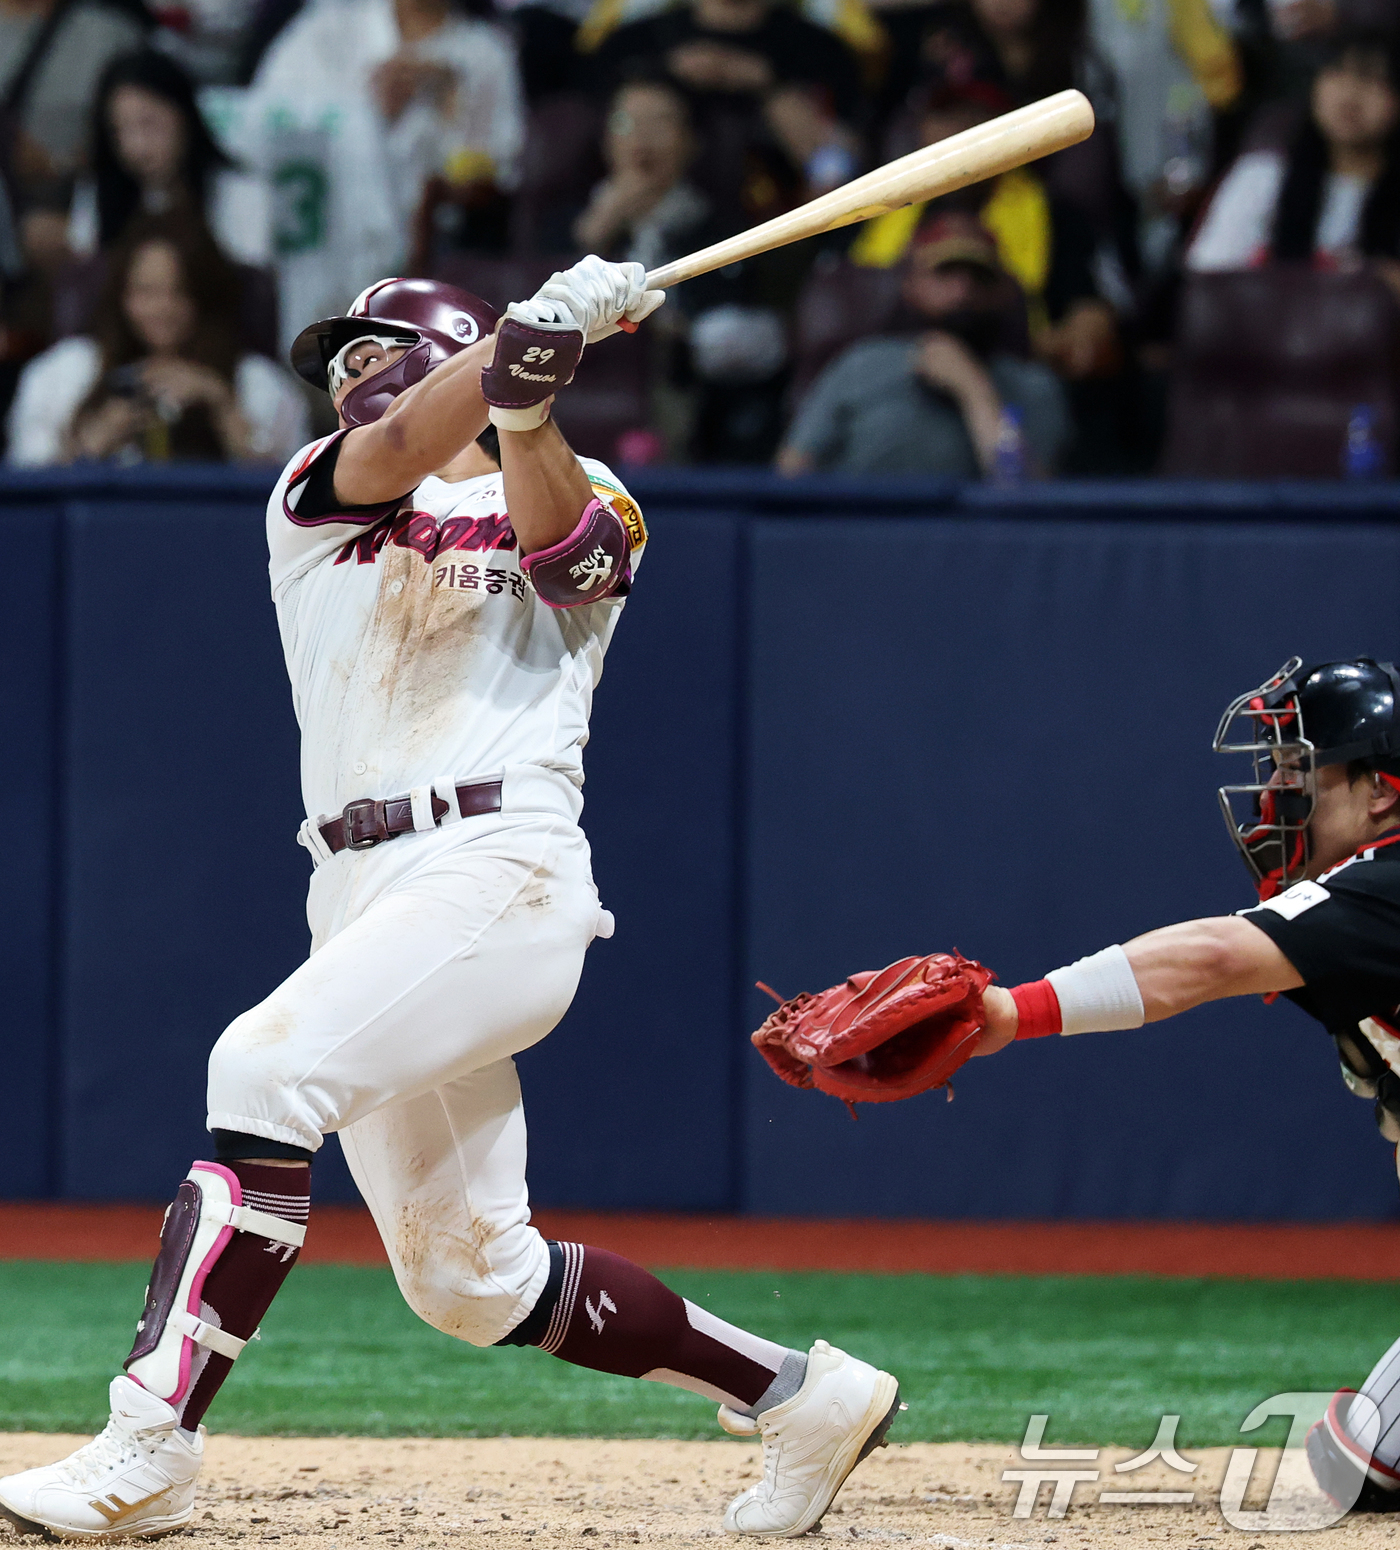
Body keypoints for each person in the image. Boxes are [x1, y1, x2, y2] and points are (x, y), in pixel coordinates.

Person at [0, 257, 901, 1542]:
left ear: (453, 354)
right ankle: (801, 1395)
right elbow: (405, 438)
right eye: (339, 363)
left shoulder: (599, 498)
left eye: (378, 349)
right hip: (358, 886)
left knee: (258, 1071)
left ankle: (147, 1447)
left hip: (501, 865)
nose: (350, 375)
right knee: (471, 1276)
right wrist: (517, 349)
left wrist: (526, 400)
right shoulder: (320, 495)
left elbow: (574, 564)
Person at [959, 655, 1400, 1513]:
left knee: (1361, 1456)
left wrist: (1014, 1012)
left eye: (1299, 771)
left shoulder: (1386, 882)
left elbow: (1207, 959)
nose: (1275, 796)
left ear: (1381, 791)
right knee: (1363, 1457)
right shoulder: (1367, 904)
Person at [779, 212, 1071, 477]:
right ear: (911, 285)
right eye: (945, 273)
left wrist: (975, 390)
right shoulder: (862, 364)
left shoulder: (1032, 388)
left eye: (980, 276)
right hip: (860, 529)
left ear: (1003, 292)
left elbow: (1023, 498)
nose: (963, 290)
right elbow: (791, 472)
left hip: (972, 535)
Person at [6, 213, 307, 463]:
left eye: (179, 292)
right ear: (121, 295)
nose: (163, 309)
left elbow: (297, 496)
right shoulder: (66, 371)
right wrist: (94, 441)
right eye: (146, 292)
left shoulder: (256, 381)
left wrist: (222, 406)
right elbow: (29, 488)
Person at [1187, 32, 1400, 284]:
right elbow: (1208, 285)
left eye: (1374, 79)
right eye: (1337, 72)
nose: (1350, 94)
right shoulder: (1262, 178)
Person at [67, 49, 268, 266]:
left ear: (185, 117)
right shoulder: (98, 192)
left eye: (149, 124)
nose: (136, 147)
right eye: (119, 130)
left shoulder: (238, 191)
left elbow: (251, 280)